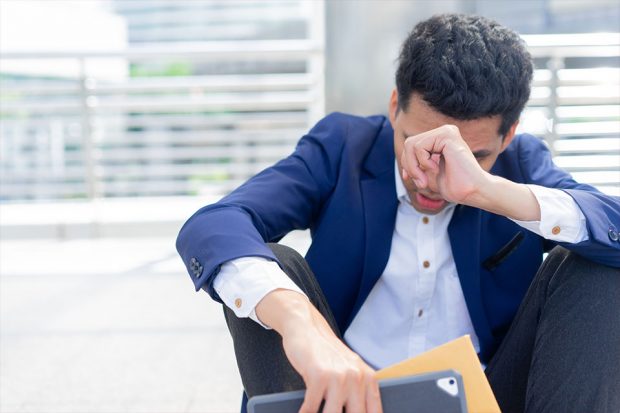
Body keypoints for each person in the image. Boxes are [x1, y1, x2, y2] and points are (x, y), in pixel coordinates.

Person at [176, 14, 620, 413]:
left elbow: (610, 226)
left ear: (509, 137)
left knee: (594, 263)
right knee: (274, 265)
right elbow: (215, 225)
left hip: (485, 398)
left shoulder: (519, 165)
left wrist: (489, 191)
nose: (431, 176)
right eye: (419, 144)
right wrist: (299, 322)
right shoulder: (343, 147)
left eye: (470, 155)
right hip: (346, 397)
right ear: (394, 106)